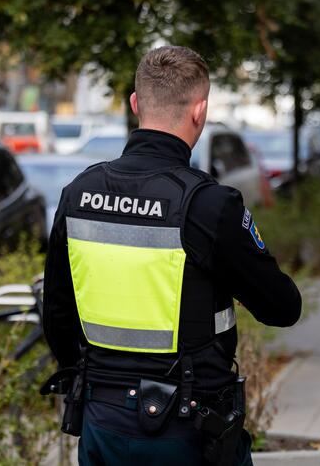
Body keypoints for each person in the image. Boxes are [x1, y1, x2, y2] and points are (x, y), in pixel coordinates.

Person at [41, 46, 302, 465]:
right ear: (199, 111)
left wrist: (94, 380)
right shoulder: (209, 205)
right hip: (187, 428)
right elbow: (282, 307)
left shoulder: (78, 193)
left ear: (134, 103)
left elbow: (56, 310)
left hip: (102, 420)